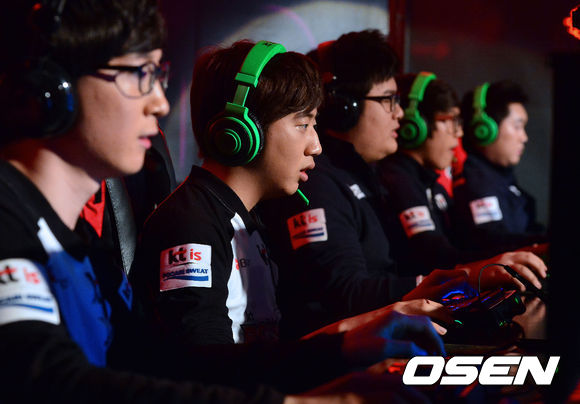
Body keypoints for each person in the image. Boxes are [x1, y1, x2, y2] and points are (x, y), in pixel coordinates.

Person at [0, 2, 435, 402]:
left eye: (157, 77)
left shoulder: (84, 244)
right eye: (139, 75)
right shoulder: (9, 223)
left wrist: (344, 348)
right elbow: (50, 380)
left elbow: (173, 368)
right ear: (51, 89)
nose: (159, 102)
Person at [129, 38, 449, 396]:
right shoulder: (191, 225)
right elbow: (204, 368)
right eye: (303, 124)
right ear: (242, 130)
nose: (316, 145)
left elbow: (270, 354)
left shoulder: (247, 221)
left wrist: (375, 325)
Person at [257, 30, 547, 339]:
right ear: (345, 107)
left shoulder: (364, 176)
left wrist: (467, 278)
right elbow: (344, 293)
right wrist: (453, 281)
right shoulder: (316, 182)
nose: (399, 113)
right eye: (388, 100)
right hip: (342, 356)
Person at [378, 73, 523, 275]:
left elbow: (468, 244)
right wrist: (499, 263)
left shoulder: (432, 185)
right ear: (416, 124)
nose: (459, 132)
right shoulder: (398, 180)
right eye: (451, 120)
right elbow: (436, 256)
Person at [454, 80, 549, 252]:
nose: (524, 137)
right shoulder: (478, 181)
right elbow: (494, 242)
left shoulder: (501, 176)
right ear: (484, 130)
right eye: (517, 126)